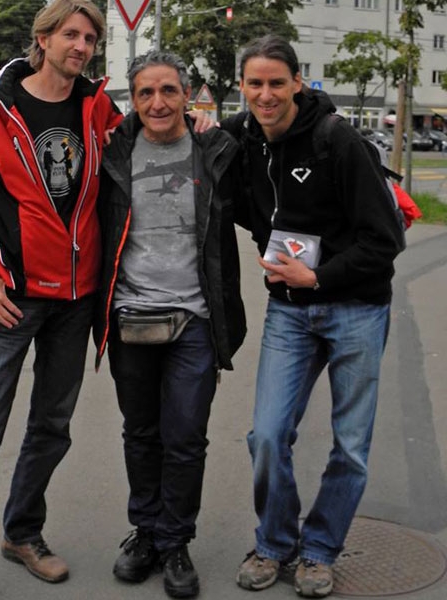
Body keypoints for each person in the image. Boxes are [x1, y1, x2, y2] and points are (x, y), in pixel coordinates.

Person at [0, 1, 121, 599]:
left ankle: (22, 532)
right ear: (43, 38)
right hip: (10, 302)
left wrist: (199, 126)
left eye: (90, 37)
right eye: (71, 34)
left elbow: (148, 138)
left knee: (51, 427)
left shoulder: (97, 108)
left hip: (76, 301)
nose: (81, 46)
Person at [218, 35, 405, 598]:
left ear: (298, 82)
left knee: (349, 444)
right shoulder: (241, 139)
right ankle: (275, 541)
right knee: (269, 435)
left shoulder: (337, 141)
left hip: (357, 308)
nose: (267, 94)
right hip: (291, 312)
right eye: (256, 83)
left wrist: (318, 277)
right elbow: (180, 146)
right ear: (243, 87)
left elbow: (385, 239)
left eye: (278, 82)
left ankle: (319, 549)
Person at [92, 50, 246, 599]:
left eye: (168, 91)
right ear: (132, 101)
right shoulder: (112, 152)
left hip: (196, 320)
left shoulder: (215, 150)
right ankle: (147, 534)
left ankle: (176, 540)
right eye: (144, 93)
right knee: (141, 433)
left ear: (187, 95)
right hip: (130, 315)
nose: (157, 102)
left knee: (185, 437)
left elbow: (278, 130)